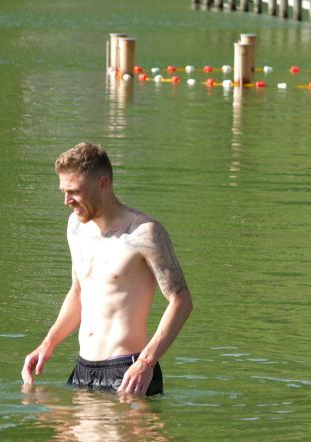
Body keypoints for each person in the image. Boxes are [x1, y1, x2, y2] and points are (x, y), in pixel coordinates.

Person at [21, 142, 193, 396]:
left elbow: (181, 301)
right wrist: (48, 343)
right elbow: (78, 292)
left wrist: (146, 362)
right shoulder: (76, 227)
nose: (66, 201)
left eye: (74, 192)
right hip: (83, 370)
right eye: (63, 192)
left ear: (103, 184)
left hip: (130, 372)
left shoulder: (144, 233)